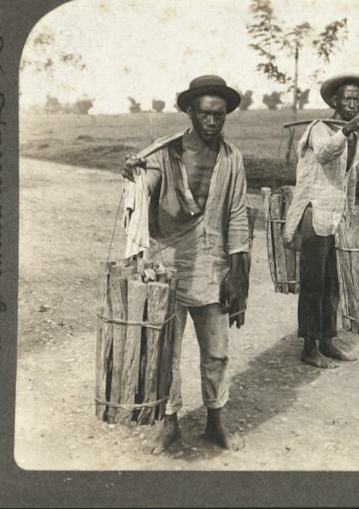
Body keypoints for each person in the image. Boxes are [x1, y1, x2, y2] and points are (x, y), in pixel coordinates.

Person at [121, 75, 249, 453]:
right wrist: (135, 176)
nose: (212, 121)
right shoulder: (165, 153)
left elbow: (238, 214)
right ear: (190, 111)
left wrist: (237, 273)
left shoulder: (232, 158)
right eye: (205, 113)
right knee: (166, 351)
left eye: (219, 115)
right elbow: (146, 187)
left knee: (217, 351)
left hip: (213, 268)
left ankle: (216, 423)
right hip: (169, 267)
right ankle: (169, 424)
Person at [283, 74, 359, 369]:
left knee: (332, 282)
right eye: (346, 98)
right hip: (314, 213)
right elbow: (325, 155)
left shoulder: (354, 142)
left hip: (336, 218)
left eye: (356, 100)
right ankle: (309, 347)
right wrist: (348, 129)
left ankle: (327, 340)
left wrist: (349, 218)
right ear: (335, 101)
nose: (351, 104)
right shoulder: (319, 129)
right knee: (313, 283)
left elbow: (349, 182)